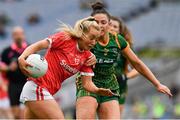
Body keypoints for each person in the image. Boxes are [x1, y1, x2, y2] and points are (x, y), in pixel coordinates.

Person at [76, 2, 172, 119]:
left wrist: (157, 84)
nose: (100, 26)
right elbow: (68, 55)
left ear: (109, 24)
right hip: (88, 84)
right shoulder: (85, 40)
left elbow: (137, 63)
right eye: (96, 23)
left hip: (109, 86)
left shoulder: (117, 40)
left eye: (103, 22)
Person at [18, 16, 115, 119]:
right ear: (82, 33)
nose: (94, 42)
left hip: (45, 91)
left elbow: (87, 84)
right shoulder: (65, 38)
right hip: (37, 87)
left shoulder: (88, 57)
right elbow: (39, 45)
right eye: (91, 38)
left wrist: (97, 90)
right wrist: (22, 57)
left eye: (96, 39)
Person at [109, 16, 139, 115]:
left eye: (115, 26)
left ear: (119, 31)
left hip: (119, 87)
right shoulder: (96, 43)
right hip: (101, 85)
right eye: (110, 25)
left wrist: (124, 77)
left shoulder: (124, 47)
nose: (112, 28)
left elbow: (137, 69)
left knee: (116, 115)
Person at [1, 26, 28, 119]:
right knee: (16, 114)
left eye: (20, 34)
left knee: (27, 112)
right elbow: (1, 66)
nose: (18, 36)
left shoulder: (30, 48)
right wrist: (9, 68)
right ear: (13, 36)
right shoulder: (6, 52)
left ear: (24, 35)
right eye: (16, 34)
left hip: (28, 83)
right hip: (13, 85)